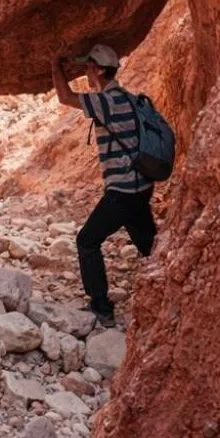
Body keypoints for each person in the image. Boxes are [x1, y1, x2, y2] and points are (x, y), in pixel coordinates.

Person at [51, 43, 156, 327]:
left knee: (87, 241)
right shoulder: (130, 99)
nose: (85, 71)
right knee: (149, 245)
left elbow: (65, 96)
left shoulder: (105, 102)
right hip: (142, 185)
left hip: (123, 189)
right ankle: (169, 292)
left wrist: (55, 66)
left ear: (99, 70)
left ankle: (101, 307)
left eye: (88, 67)